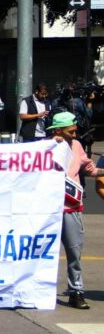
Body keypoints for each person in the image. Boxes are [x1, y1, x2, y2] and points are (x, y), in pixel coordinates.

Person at [50, 111, 104, 310]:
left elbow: (88, 168)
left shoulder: (77, 146)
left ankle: (76, 292)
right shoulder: (47, 147)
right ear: (58, 130)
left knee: (74, 252)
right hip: (49, 209)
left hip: (71, 207)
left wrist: (102, 171)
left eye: (74, 130)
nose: (74, 134)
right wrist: (53, 144)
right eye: (70, 131)